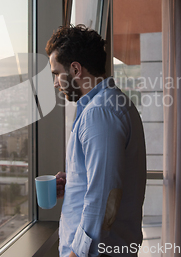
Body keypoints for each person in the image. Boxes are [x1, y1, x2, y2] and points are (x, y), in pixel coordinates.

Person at [46, 25, 147, 257]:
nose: (55, 83)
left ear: (75, 69)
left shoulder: (100, 113)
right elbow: (104, 180)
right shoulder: (110, 105)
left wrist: (77, 254)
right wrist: (73, 179)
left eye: (56, 73)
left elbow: (105, 198)